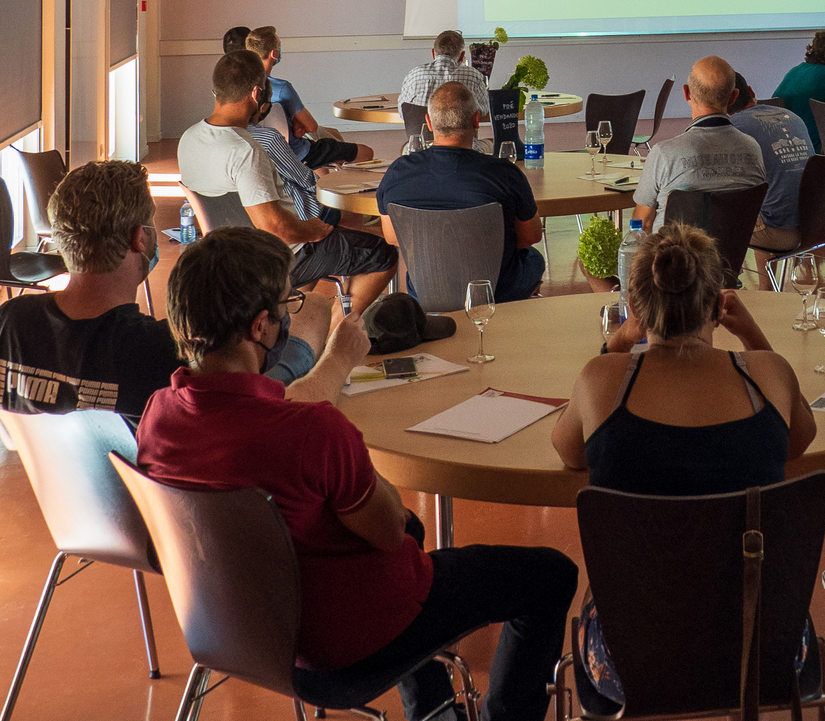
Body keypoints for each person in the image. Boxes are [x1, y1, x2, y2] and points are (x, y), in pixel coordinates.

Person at [136, 227, 576, 721]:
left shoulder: (159, 415)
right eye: (289, 302)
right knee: (549, 574)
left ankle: (431, 706)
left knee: (412, 530)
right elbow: (386, 530)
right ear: (261, 327)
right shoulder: (311, 431)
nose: (290, 313)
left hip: (233, 632)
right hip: (338, 649)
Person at [551, 225, 817, 707]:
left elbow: (569, 451)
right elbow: (800, 438)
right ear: (718, 306)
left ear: (634, 307)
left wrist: (618, 342)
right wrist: (751, 332)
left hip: (629, 660)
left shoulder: (600, 382)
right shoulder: (769, 375)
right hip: (765, 649)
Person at [0, 161, 354, 427]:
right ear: (141, 238)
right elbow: (258, 414)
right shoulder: (162, 353)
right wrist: (334, 360)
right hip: (167, 508)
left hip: (72, 505)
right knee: (314, 313)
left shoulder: (6, 325)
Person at [179, 50, 397, 313]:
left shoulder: (188, 138)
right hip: (278, 257)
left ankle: (293, 320)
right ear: (257, 94)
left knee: (329, 235)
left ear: (217, 90)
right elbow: (274, 227)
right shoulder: (245, 150)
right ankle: (340, 332)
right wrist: (313, 232)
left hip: (226, 259)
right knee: (383, 254)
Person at [377, 82, 546, 303]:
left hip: (425, 289)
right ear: (476, 120)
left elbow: (392, 237)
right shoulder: (504, 173)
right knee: (533, 259)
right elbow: (529, 237)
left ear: (428, 122)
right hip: (496, 289)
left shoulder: (397, 173)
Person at [633, 56, 766, 230]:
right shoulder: (753, 149)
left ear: (686, 93)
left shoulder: (664, 154)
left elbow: (643, 223)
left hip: (674, 256)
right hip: (731, 255)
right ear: (734, 97)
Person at [246, 26, 365, 168]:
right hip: (297, 153)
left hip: (263, 154)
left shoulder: (242, 86)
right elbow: (311, 126)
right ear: (274, 53)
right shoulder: (283, 88)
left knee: (333, 136)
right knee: (366, 152)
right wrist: (298, 123)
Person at [726, 72, 813, 251]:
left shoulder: (732, 128)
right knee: (763, 203)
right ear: (751, 91)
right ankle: (766, 280)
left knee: (709, 218)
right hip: (817, 226)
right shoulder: (792, 117)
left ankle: (728, 280)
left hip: (778, 233)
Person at [399, 30, 492, 112]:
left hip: (420, 131)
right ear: (461, 56)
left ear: (433, 53)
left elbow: (403, 110)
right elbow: (484, 109)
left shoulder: (414, 75)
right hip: (460, 131)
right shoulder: (473, 76)